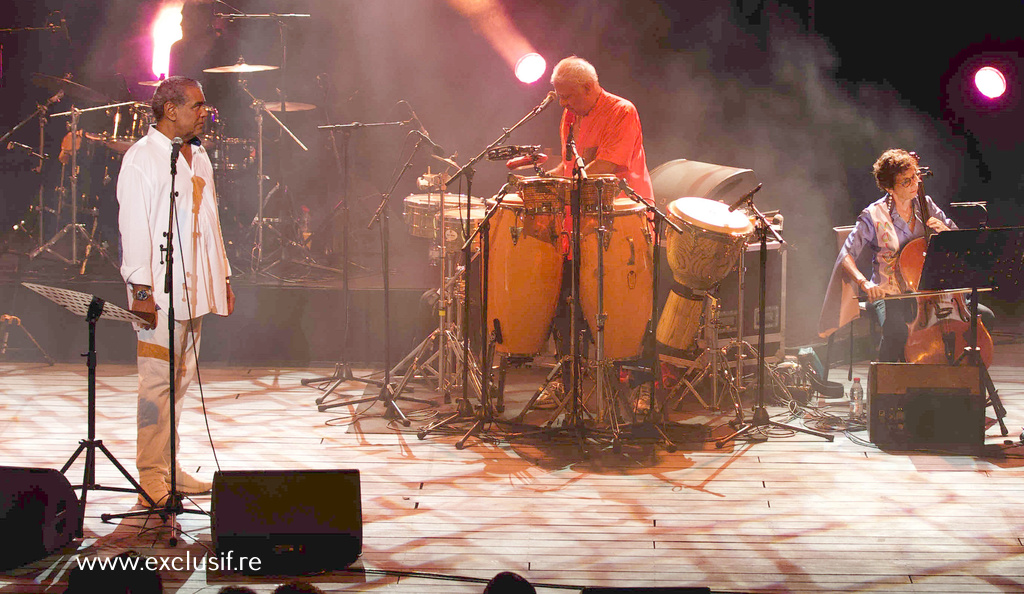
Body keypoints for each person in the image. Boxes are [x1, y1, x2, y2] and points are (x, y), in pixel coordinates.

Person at [116, 75, 234, 506]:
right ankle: (150, 476)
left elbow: (212, 221)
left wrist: (222, 277)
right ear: (170, 110)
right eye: (198, 105)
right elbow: (133, 227)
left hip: (195, 291)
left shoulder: (198, 156)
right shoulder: (142, 158)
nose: (205, 112)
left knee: (180, 382)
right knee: (156, 384)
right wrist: (140, 290)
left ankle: (170, 467)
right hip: (160, 294)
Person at [534, 56, 654, 414]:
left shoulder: (621, 111)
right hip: (580, 220)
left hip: (621, 221)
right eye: (559, 97)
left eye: (568, 96)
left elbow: (605, 169)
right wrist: (541, 181)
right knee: (565, 298)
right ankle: (565, 378)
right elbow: (571, 168)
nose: (563, 104)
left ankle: (637, 384)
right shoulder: (571, 115)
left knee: (622, 307)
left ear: (589, 88)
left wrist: (560, 184)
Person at [818, 148, 955, 362]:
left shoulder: (925, 204)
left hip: (929, 291)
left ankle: (940, 381)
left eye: (915, 178)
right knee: (897, 332)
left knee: (983, 318)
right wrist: (865, 284)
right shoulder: (873, 215)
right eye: (906, 181)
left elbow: (957, 238)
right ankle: (884, 387)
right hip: (889, 293)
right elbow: (846, 254)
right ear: (890, 188)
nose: (915, 185)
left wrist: (946, 233)